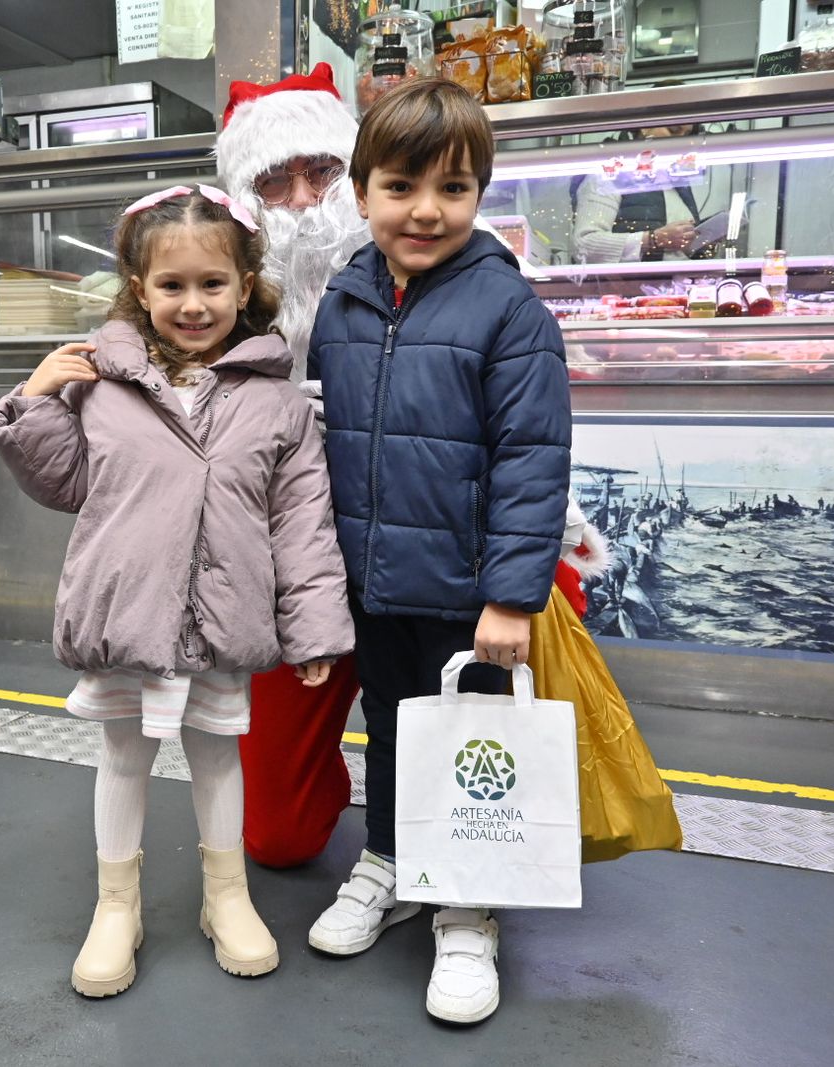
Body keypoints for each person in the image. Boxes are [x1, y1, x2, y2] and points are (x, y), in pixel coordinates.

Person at [0, 186, 353, 996]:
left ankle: (227, 897)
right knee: (124, 753)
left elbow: (301, 523)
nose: (193, 304)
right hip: (130, 615)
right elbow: (69, 481)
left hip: (224, 618)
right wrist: (34, 400)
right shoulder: (100, 384)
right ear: (138, 287)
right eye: (172, 285)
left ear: (247, 282)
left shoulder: (276, 401)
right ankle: (117, 906)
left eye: (213, 283)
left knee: (220, 755)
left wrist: (316, 627)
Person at [304, 78, 572, 1024]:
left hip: (466, 592)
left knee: (471, 739)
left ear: (480, 193)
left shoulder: (508, 311)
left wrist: (511, 596)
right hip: (370, 578)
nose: (425, 209)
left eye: (453, 189)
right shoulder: (342, 302)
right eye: (400, 185)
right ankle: (388, 856)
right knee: (388, 724)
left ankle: (467, 903)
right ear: (362, 188)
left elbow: (533, 461)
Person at [216, 62, 371, 868]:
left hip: (410, 556)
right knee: (276, 837)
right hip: (287, 573)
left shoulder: (416, 265)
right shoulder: (220, 310)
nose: (307, 202)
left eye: (325, 172)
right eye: (277, 182)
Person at [571, 125, 724, 263]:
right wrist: (654, 240)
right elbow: (584, 245)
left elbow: (675, 253)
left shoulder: (678, 184)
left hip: (672, 289)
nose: (681, 141)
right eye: (674, 130)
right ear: (644, 128)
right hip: (625, 290)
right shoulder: (609, 176)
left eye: (687, 135)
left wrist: (699, 244)